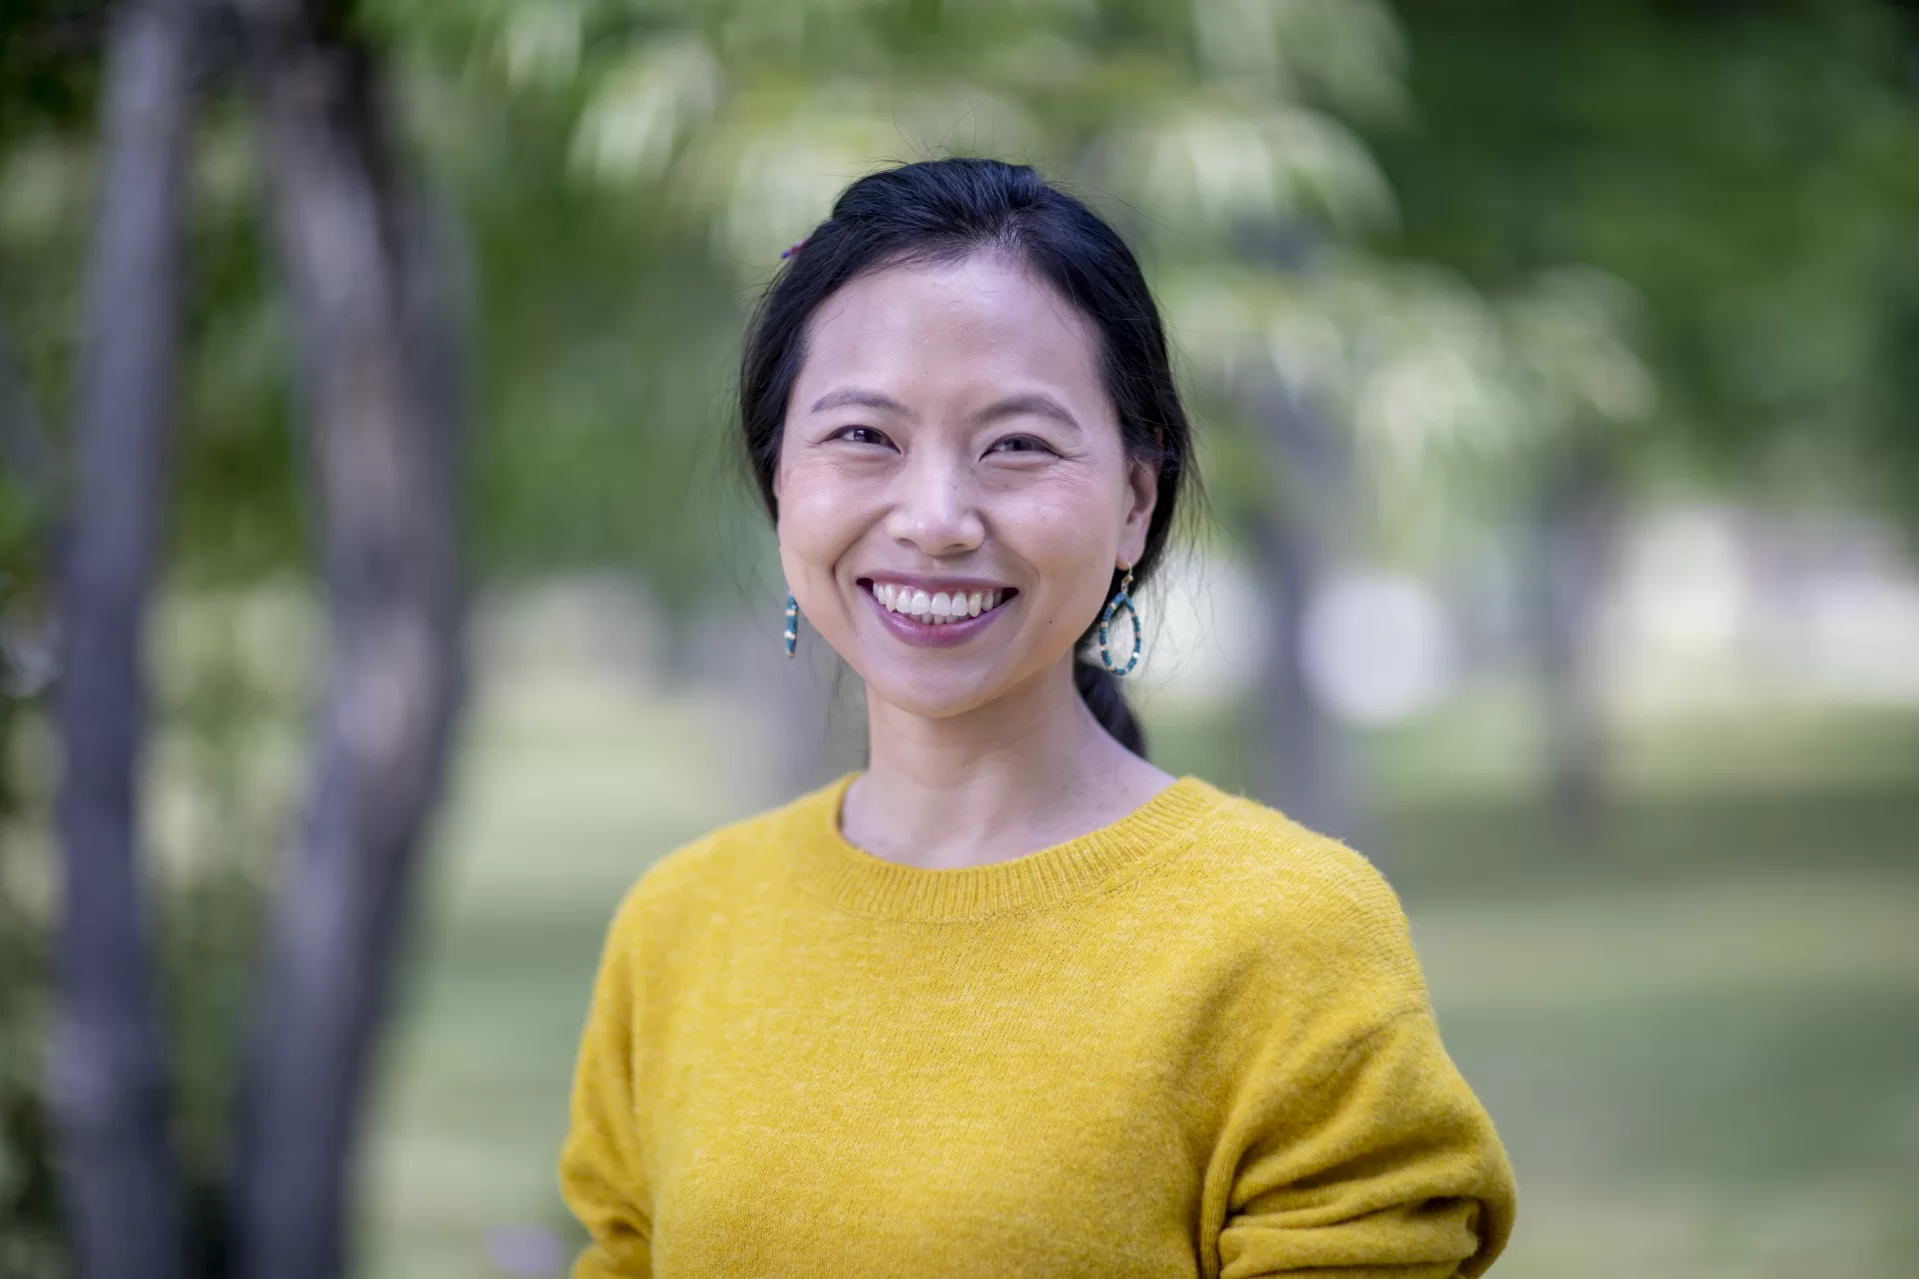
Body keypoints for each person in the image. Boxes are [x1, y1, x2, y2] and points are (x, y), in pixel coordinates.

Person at [557, 157, 1515, 1279]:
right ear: (781, 484)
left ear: (1133, 501)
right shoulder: (678, 926)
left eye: (1017, 444)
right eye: (864, 436)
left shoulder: (1288, 934)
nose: (936, 519)